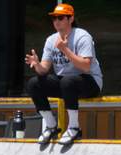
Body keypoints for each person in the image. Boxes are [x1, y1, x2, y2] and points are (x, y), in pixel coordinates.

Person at [25, 3, 103, 146]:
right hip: (65, 83)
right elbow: (44, 69)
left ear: (71, 19)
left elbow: (86, 66)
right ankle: (51, 126)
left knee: (68, 81)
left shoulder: (82, 36)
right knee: (34, 83)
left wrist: (65, 50)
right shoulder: (50, 40)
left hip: (90, 81)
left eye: (60, 18)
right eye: (54, 18)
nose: (56, 21)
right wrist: (37, 64)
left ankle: (74, 128)